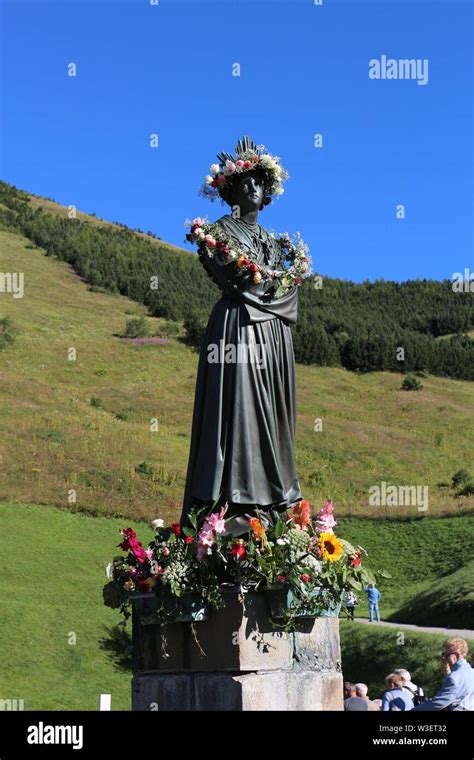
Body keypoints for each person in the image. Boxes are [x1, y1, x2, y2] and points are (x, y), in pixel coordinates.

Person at [181, 136, 306, 536]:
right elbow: (238, 283)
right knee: (238, 409)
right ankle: (236, 503)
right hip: (239, 331)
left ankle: (274, 501)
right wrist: (271, 294)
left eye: (258, 183)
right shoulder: (218, 233)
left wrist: (271, 296)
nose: (253, 189)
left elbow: (286, 292)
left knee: (274, 415)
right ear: (231, 191)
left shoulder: (274, 243)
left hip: (273, 337)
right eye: (244, 183)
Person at [413, 638, 474, 711]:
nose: (444, 658)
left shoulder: (455, 677)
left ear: (457, 655)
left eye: (446, 655)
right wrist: (446, 665)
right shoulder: (470, 671)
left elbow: (438, 703)